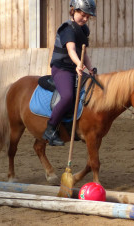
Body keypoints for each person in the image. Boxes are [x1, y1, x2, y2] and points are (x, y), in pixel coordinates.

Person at [42, 0, 96, 146]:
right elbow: (72, 50)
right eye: (82, 15)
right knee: (67, 96)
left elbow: (83, 53)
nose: (85, 19)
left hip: (75, 68)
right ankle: (51, 128)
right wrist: (78, 64)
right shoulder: (67, 29)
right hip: (62, 69)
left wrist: (90, 69)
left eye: (88, 17)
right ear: (74, 10)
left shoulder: (83, 30)